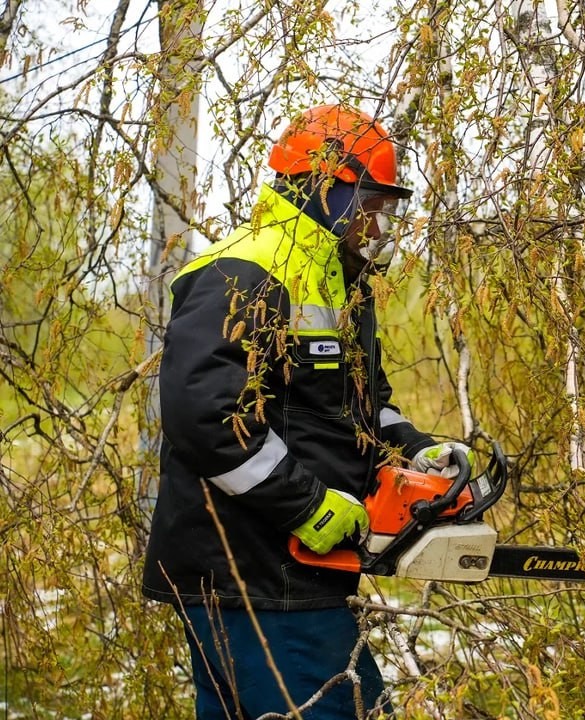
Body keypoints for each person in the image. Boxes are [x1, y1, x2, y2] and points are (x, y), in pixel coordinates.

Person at [142, 105, 470, 719]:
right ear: (329, 186)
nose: (379, 222)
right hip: (256, 574)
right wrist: (305, 504)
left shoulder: (341, 281)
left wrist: (416, 452)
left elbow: (363, 406)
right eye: (372, 202)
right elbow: (206, 416)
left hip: (290, 577)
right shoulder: (243, 271)